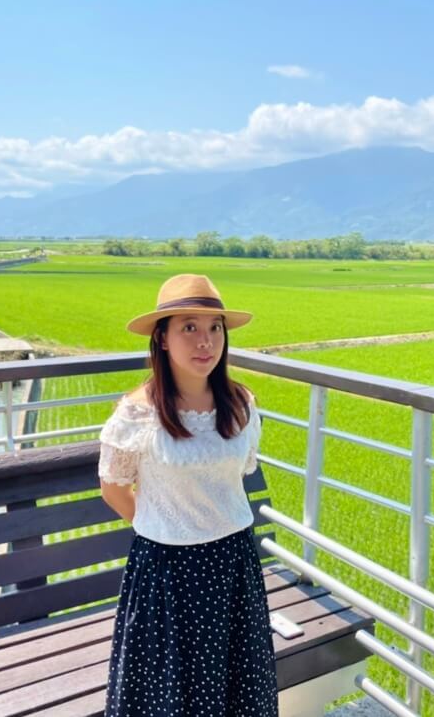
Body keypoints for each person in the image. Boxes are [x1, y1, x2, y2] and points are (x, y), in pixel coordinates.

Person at [98, 273, 279, 716]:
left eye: (215, 327)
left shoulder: (241, 405)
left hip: (233, 563)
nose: (206, 341)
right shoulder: (138, 414)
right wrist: (163, 522)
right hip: (167, 572)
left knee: (236, 686)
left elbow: (237, 473)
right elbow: (114, 488)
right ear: (161, 338)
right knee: (168, 694)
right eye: (189, 328)